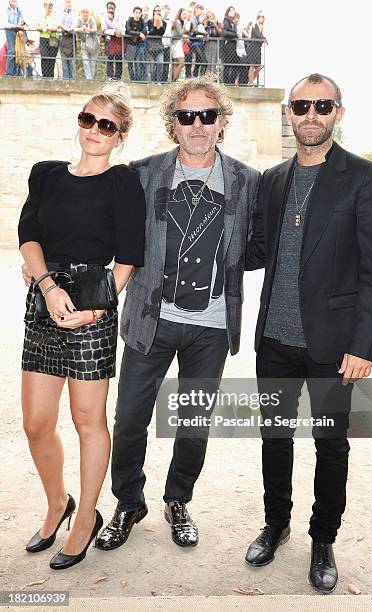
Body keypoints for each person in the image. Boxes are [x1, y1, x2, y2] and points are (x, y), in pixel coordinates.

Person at [94, 75, 260, 552]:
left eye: (208, 115)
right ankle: (129, 502)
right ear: (173, 122)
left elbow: (259, 246)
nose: (198, 125)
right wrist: (39, 257)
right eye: (187, 115)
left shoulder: (247, 181)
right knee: (129, 420)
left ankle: (178, 500)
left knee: (193, 425)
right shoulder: (141, 175)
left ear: (222, 121)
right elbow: (98, 227)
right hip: (151, 321)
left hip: (210, 329)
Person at [245, 73, 372, 593]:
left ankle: (322, 538)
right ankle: (276, 524)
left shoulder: (365, 176)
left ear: (338, 112)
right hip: (275, 342)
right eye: (301, 105)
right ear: (289, 113)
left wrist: (363, 344)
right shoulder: (273, 179)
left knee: (330, 446)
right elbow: (258, 251)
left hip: (333, 347)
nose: (311, 114)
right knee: (274, 437)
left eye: (321, 105)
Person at [19, 84, 146, 570]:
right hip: (45, 303)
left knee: (88, 421)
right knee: (35, 423)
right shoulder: (46, 174)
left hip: (93, 309)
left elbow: (129, 257)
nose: (94, 130)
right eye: (88, 119)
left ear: (120, 136)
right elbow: (28, 236)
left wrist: (95, 309)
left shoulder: (122, 183)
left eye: (107, 125)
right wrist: (49, 288)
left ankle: (86, 516)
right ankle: (58, 502)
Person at [36, 1, 60, 79]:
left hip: (53, 39)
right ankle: (45, 77)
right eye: (47, 7)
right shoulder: (40, 16)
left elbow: (56, 27)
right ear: (44, 7)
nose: (49, 9)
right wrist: (43, 28)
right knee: (45, 57)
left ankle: (51, 77)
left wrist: (47, 28)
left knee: (52, 59)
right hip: (43, 39)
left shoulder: (55, 16)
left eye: (50, 7)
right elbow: (38, 27)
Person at [101, 1, 124, 81]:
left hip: (118, 42)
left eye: (112, 8)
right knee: (109, 59)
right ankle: (110, 77)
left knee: (119, 60)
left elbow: (120, 28)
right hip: (109, 41)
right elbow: (104, 30)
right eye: (109, 8)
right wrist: (114, 32)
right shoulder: (103, 17)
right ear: (107, 9)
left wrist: (112, 21)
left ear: (114, 9)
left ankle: (117, 78)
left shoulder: (118, 17)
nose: (111, 10)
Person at [75, 7, 99, 80]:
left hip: (93, 43)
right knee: (85, 61)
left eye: (86, 15)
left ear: (88, 14)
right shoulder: (79, 19)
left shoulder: (91, 19)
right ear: (81, 14)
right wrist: (81, 29)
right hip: (84, 42)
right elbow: (75, 28)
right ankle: (88, 79)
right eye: (83, 15)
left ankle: (91, 79)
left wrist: (89, 30)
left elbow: (95, 29)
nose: (85, 16)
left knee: (92, 63)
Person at [125, 5, 147, 82]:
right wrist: (139, 34)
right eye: (136, 12)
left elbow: (145, 31)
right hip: (130, 44)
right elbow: (128, 30)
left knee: (137, 63)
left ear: (141, 14)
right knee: (130, 63)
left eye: (139, 13)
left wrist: (137, 33)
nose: (137, 14)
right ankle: (132, 79)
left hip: (138, 44)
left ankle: (137, 80)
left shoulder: (142, 20)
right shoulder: (130, 20)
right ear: (133, 13)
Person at [4, 0, 26, 76]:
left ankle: (16, 72)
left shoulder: (18, 9)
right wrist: (16, 26)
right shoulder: (6, 10)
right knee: (12, 51)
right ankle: (8, 73)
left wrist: (22, 24)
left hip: (17, 31)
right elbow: (5, 24)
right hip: (10, 31)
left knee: (18, 51)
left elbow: (22, 20)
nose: (14, 1)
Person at [147, 4, 165, 82]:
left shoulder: (164, 23)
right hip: (150, 46)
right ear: (153, 12)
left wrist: (159, 23)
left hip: (159, 46)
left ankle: (158, 81)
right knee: (152, 66)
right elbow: (151, 33)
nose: (157, 12)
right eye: (155, 10)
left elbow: (161, 33)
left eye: (159, 11)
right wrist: (155, 25)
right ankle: (153, 81)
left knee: (160, 63)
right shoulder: (149, 21)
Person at [247, 11, 266, 87]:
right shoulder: (255, 24)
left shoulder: (262, 27)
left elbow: (261, 38)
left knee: (258, 67)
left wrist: (263, 38)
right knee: (252, 66)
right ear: (257, 17)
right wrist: (264, 38)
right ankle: (250, 82)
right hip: (253, 48)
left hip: (258, 49)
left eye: (262, 17)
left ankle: (250, 81)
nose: (261, 18)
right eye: (259, 16)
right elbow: (258, 35)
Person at [171, 8, 189, 82]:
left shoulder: (179, 22)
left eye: (186, 14)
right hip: (176, 43)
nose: (185, 15)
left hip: (176, 43)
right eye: (183, 14)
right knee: (181, 63)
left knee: (176, 64)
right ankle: (174, 80)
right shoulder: (178, 22)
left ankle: (174, 79)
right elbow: (181, 33)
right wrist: (185, 24)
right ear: (180, 14)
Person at [222, 6, 238, 85]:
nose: (232, 12)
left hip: (234, 45)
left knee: (234, 64)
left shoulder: (233, 22)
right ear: (228, 12)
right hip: (229, 45)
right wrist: (235, 34)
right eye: (231, 11)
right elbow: (225, 33)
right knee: (228, 64)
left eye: (233, 11)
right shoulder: (226, 20)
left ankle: (231, 82)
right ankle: (226, 82)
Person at [60, 0, 75, 79]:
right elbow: (60, 23)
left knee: (72, 62)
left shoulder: (74, 12)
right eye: (66, 2)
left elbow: (75, 23)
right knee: (64, 63)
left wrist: (70, 29)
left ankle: (72, 79)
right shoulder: (61, 12)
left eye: (69, 2)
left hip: (72, 37)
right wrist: (65, 29)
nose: (68, 4)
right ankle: (66, 80)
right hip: (63, 36)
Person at [203, 10, 220, 77]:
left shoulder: (217, 22)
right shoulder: (205, 23)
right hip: (207, 43)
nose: (209, 17)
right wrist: (205, 24)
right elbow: (202, 32)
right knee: (208, 59)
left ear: (213, 16)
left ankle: (213, 75)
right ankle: (207, 75)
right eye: (208, 16)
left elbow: (220, 33)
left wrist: (215, 25)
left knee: (214, 59)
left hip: (215, 42)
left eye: (211, 16)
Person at [161, 4, 172, 82]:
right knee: (160, 63)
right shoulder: (160, 20)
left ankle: (164, 80)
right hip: (160, 45)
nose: (167, 11)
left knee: (166, 64)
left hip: (168, 45)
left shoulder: (171, 21)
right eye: (166, 9)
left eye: (168, 9)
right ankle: (159, 80)